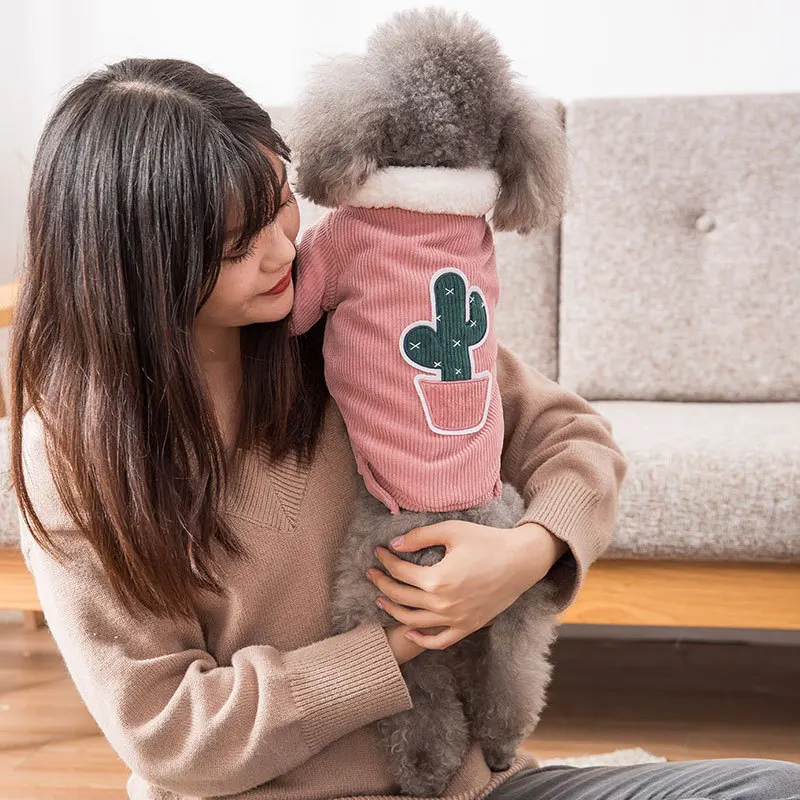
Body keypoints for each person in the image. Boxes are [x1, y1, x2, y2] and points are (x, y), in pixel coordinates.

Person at [9, 57, 797, 800]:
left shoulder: (362, 313)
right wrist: (398, 642)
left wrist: (523, 555)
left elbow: (571, 437)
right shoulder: (74, 461)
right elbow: (172, 731)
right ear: (138, 269)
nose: (284, 249)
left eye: (280, 203)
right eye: (236, 244)